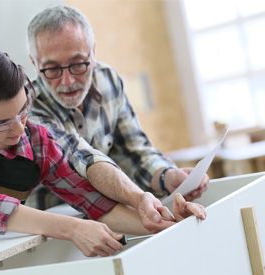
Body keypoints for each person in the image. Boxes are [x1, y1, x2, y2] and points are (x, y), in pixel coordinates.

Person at [0, 50, 206, 270]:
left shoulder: (37, 140)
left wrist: (166, 224)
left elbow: (97, 204)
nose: (19, 128)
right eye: (0, 123)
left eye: (23, 110)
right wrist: (73, 228)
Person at [26, 5, 209, 232]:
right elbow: (81, 157)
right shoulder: (27, 107)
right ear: (34, 64)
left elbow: (135, 150)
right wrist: (138, 198)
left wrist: (166, 175)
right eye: (52, 69)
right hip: (51, 232)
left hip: (115, 217)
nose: (68, 81)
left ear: (93, 52)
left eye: (78, 64)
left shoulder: (109, 81)